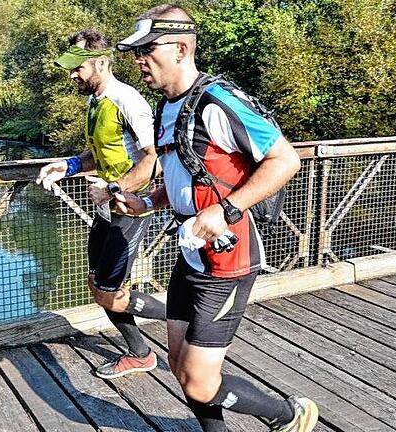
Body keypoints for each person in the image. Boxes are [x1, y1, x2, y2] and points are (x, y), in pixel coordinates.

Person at [113, 4, 318, 432]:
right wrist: (146, 204)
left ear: (182, 48)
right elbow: (184, 179)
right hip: (190, 256)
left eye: (147, 50)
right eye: (136, 52)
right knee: (179, 366)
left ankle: (288, 415)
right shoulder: (169, 107)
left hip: (227, 261)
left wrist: (227, 208)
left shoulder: (217, 101)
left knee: (200, 381)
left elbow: (285, 159)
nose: (138, 60)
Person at [36, 28, 166, 379]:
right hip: (106, 209)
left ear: (102, 62)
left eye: (78, 67)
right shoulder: (95, 102)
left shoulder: (128, 100)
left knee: (108, 290)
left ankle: (183, 316)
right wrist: (70, 165)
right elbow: (101, 153)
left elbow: (152, 160)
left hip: (130, 208)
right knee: (97, 284)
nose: (72, 74)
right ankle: (141, 352)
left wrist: (111, 189)